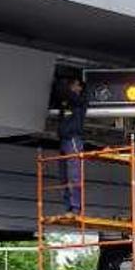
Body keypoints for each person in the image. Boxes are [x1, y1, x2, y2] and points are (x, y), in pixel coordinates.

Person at [56, 77, 87, 215]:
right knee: (63, 175)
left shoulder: (79, 101)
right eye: (74, 85)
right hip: (65, 139)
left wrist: (61, 82)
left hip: (73, 139)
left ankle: (76, 206)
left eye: (76, 86)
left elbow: (66, 93)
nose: (75, 88)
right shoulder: (67, 101)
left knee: (74, 173)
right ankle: (69, 206)